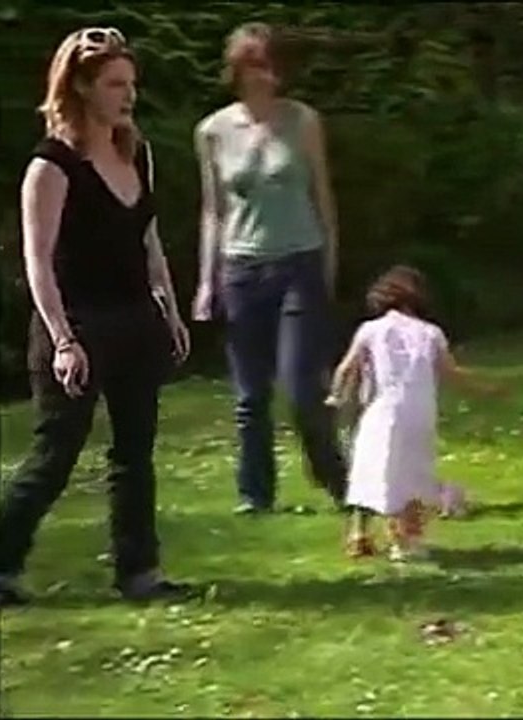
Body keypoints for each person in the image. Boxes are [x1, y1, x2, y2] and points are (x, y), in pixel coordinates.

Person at [0, 27, 195, 607]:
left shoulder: (137, 153)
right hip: (79, 323)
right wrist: (63, 339)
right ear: (82, 87)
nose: (128, 95)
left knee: (135, 452)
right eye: (114, 84)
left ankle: (140, 573)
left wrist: (170, 311)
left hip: (135, 318)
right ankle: (1, 565)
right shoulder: (52, 165)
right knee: (56, 453)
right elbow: (37, 260)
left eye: (131, 84)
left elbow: (149, 240)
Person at [192, 22, 347, 514]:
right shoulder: (213, 131)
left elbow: (322, 196)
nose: (268, 75)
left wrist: (329, 263)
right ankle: (255, 495)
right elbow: (213, 210)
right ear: (239, 68)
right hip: (241, 268)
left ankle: (337, 478)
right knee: (250, 395)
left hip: (299, 262)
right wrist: (206, 281)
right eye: (258, 64)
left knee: (303, 389)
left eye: (275, 65)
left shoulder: (302, 121)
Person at [325, 266, 502, 563]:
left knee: (370, 470)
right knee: (412, 473)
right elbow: (451, 372)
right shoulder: (431, 333)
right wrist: (486, 389)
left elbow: (346, 367)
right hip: (419, 411)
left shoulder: (370, 330)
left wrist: (336, 396)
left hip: (381, 409)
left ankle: (360, 534)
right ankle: (407, 540)